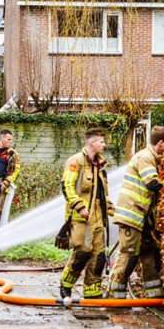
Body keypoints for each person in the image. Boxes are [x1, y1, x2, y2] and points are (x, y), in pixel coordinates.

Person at [106, 126, 164, 299]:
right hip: (132, 217)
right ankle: (115, 296)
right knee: (129, 255)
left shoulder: (153, 158)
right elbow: (152, 184)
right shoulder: (145, 157)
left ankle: (154, 295)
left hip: (142, 218)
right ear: (161, 142)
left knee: (149, 256)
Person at [59, 128, 114, 304]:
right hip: (81, 216)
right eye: (102, 142)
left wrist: (112, 208)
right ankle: (66, 284)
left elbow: (100, 193)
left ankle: (92, 292)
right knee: (82, 252)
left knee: (98, 256)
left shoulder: (100, 164)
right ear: (92, 143)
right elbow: (67, 186)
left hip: (98, 216)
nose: (104, 145)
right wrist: (78, 205)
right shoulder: (76, 161)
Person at [0, 129, 21, 231]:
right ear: (1, 139)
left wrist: (7, 182)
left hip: (2, 186)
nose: (11, 142)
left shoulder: (13, 154)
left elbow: (17, 170)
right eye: (9, 139)